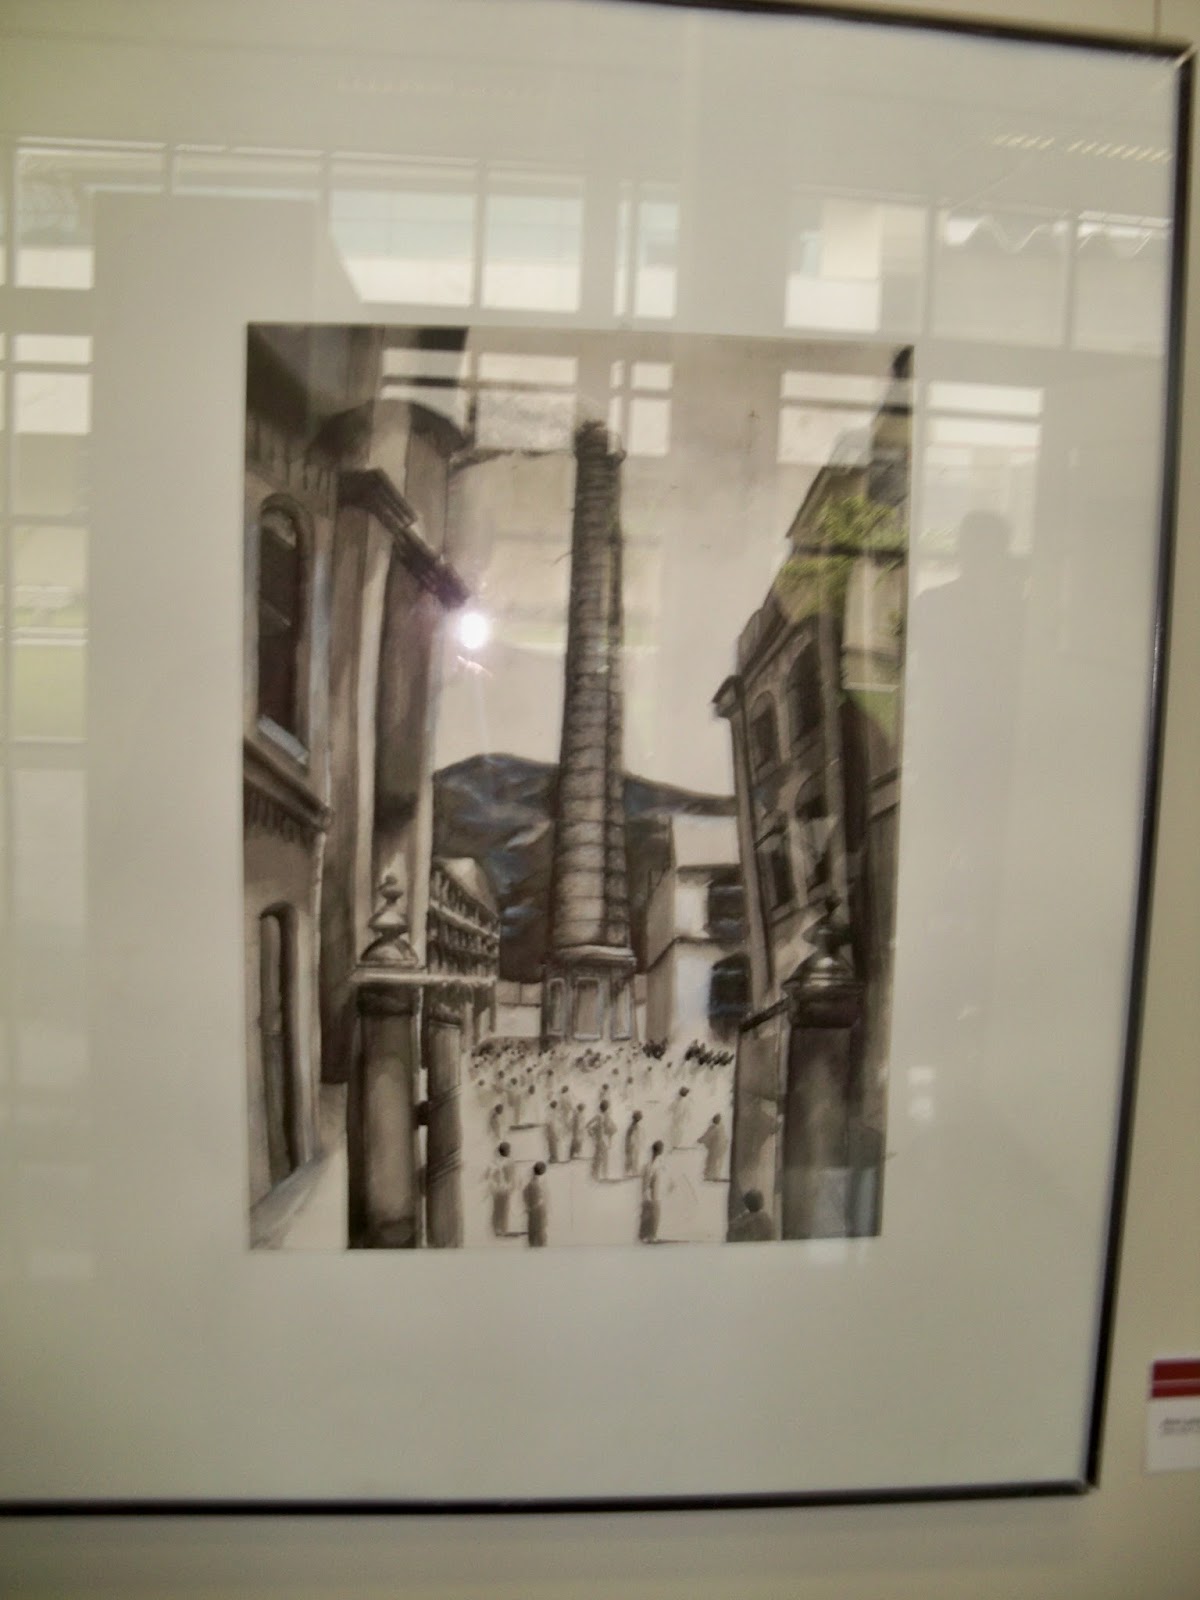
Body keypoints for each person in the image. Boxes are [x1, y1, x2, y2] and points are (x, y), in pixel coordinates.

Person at [484, 1143, 516, 1237]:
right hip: (503, 1189)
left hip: (498, 1189)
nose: (510, 1152)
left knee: (497, 1209)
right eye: (509, 1150)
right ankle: (502, 1229)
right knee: (503, 1209)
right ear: (506, 1151)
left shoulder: (495, 1162)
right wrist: (511, 1187)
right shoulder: (509, 1162)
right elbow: (512, 1177)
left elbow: (487, 1175)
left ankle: (497, 1229)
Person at [639, 1141, 665, 1243]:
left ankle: (650, 1235)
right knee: (651, 1215)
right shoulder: (652, 1165)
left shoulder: (654, 1164)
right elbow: (647, 1181)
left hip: (654, 1193)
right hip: (653, 1194)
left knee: (652, 1215)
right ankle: (649, 1236)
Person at [586, 1099, 617, 1180]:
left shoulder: (599, 1116)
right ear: (607, 1108)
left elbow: (588, 1125)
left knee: (597, 1157)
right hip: (604, 1140)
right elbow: (613, 1128)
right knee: (604, 1157)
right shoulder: (607, 1116)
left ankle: (595, 1174)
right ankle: (603, 1174)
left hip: (599, 1140)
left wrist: (592, 1133)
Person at [523, 1161, 548, 1247]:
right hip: (539, 1209)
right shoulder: (541, 1183)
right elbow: (542, 1198)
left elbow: (525, 1194)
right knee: (540, 1228)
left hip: (531, 1209)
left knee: (532, 1228)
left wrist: (527, 1206)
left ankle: (533, 1243)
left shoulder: (530, 1182)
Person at [697, 1112, 729, 1181]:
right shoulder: (721, 1127)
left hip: (716, 1148)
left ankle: (711, 1176)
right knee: (717, 1162)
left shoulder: (714, 1128)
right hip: (721, 1148)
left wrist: (700, 1140)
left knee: (712, 1161)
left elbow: (707, 1136)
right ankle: (715, 1175)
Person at [668, 1084, 690, 1149]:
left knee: (675, 1131)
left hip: (676, 1119)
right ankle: (676, 1144)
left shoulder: (677, 1100)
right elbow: (687, 1112)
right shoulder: (685, 1101)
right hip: (680, 1120)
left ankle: (674, 1144)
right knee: (678, 1131)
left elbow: (670, 1109)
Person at [623, 1109, 644, 1177]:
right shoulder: (632, 1127)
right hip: (632, 1145)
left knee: (633, 1158)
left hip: (634, 1145)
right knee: (631, 1159)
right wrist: (629, 1146)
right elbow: (629, 1138)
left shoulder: (634, 1126)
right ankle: (629, 1172)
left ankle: (632, 1172)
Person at [545, 1099, 561, 1164]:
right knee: (553, 1145)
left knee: (552, 1145)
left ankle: (553, 1158)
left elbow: (548, 1122)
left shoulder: (550, 1112)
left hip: (552, 1130)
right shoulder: (553, 1112)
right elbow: (549, 1122)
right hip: (553, 1130)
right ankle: (554, 1158)